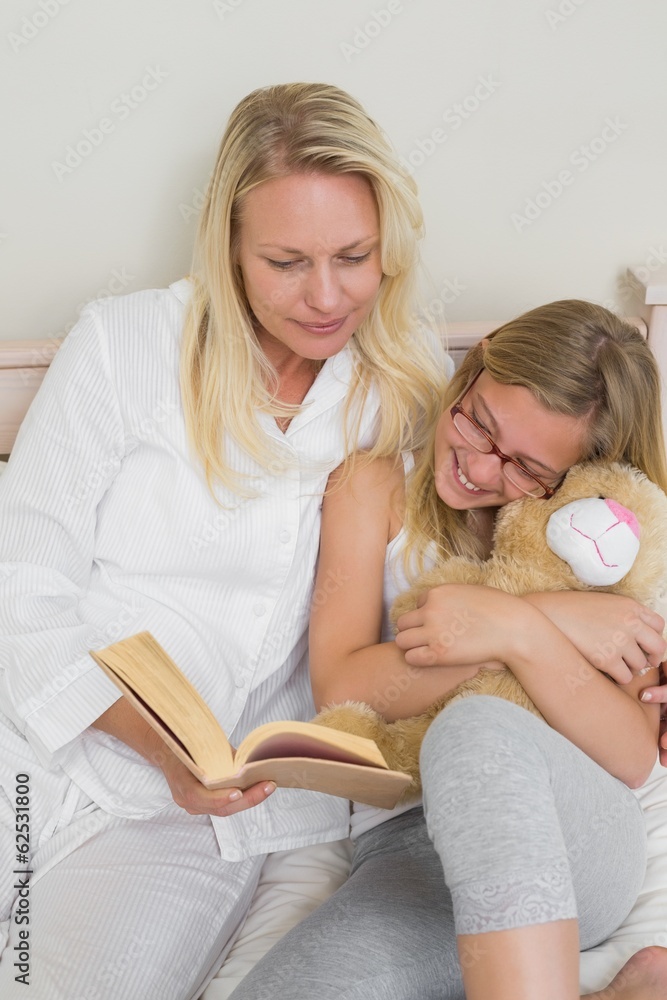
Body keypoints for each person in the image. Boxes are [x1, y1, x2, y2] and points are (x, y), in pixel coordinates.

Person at [0, 82, 448, 998]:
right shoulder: (126, 345)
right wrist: (157, 740)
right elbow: (19, 584)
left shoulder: (408, 389)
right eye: (285, 261)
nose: (326, 297)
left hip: (200, 812)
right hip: (43, 734)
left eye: (353, 257)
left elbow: (440, 604)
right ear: (229, 250)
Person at [228, 301, 667, 1000]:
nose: (478, 466)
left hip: (568, 836)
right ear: (478, 359)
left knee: (475, 728)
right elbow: (340, 685)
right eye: (478, 422)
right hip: (412, 843)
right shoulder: (371, 486)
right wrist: (524, 622)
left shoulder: (602, 538)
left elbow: (631, 753)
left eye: (524, 467)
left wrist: (515, 632)